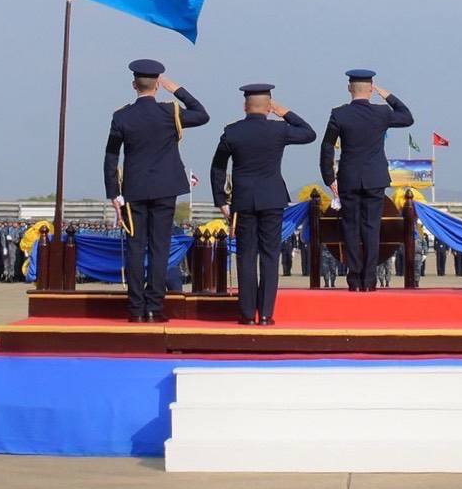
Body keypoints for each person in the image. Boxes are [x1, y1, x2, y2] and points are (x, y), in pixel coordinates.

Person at [105, 59, 209, 323]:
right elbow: (201, 114)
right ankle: (153, 307)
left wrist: (113, 193)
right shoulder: (169, 112)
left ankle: (135, 309)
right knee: (160, 248)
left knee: (135, 248)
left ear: (134, 85)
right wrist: (177, 89)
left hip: (134, 189)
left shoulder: (122, 116)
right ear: (158, 86)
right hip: (165, 188)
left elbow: (111, 156)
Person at [210, 83, 316, 325]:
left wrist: (221, 199)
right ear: (269, 107)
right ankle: (266, 314)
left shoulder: (232, 132)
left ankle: (247, 314)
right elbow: (309, 133)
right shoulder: (278, 130)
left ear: (244, 106)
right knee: (269, 256)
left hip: (244, 201)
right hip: (272, 199)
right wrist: (284, 112)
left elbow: (217, 167)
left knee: (246, 257)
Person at [320, 70, 414, 292]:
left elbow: (327, 146)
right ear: (371, 89)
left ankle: (354, 278)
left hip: (349, 178)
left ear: (349, 88)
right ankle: (369, 279)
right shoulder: (382, 113)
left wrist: (329, 177)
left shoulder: (339, 114)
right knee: (372, 228)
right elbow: (407, 117)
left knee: (351, 228)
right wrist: (387, 95)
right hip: (375, 178)